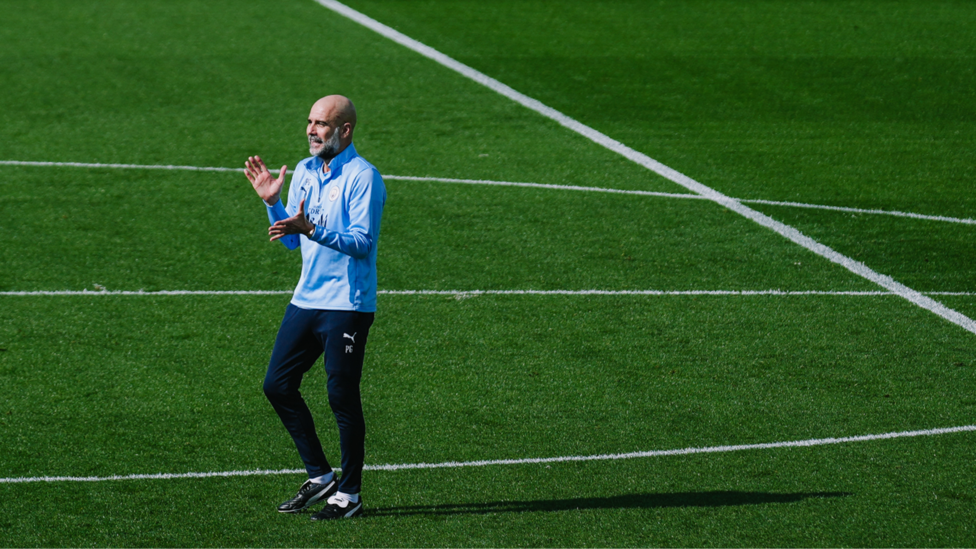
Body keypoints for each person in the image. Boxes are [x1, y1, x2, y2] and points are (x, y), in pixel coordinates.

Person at [243, 95, 386, 520]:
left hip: (347, 305)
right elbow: (292, 239)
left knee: (341, 395)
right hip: (307, 299)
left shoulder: (364, 177)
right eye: (309, 121)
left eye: (322, 123)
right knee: (277, 385)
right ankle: (321, 475)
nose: (311, 130)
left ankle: (351, 494)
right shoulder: (304, 171)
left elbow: (362, 243)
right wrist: (272, 203)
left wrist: (313, 229)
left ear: (345, 130)